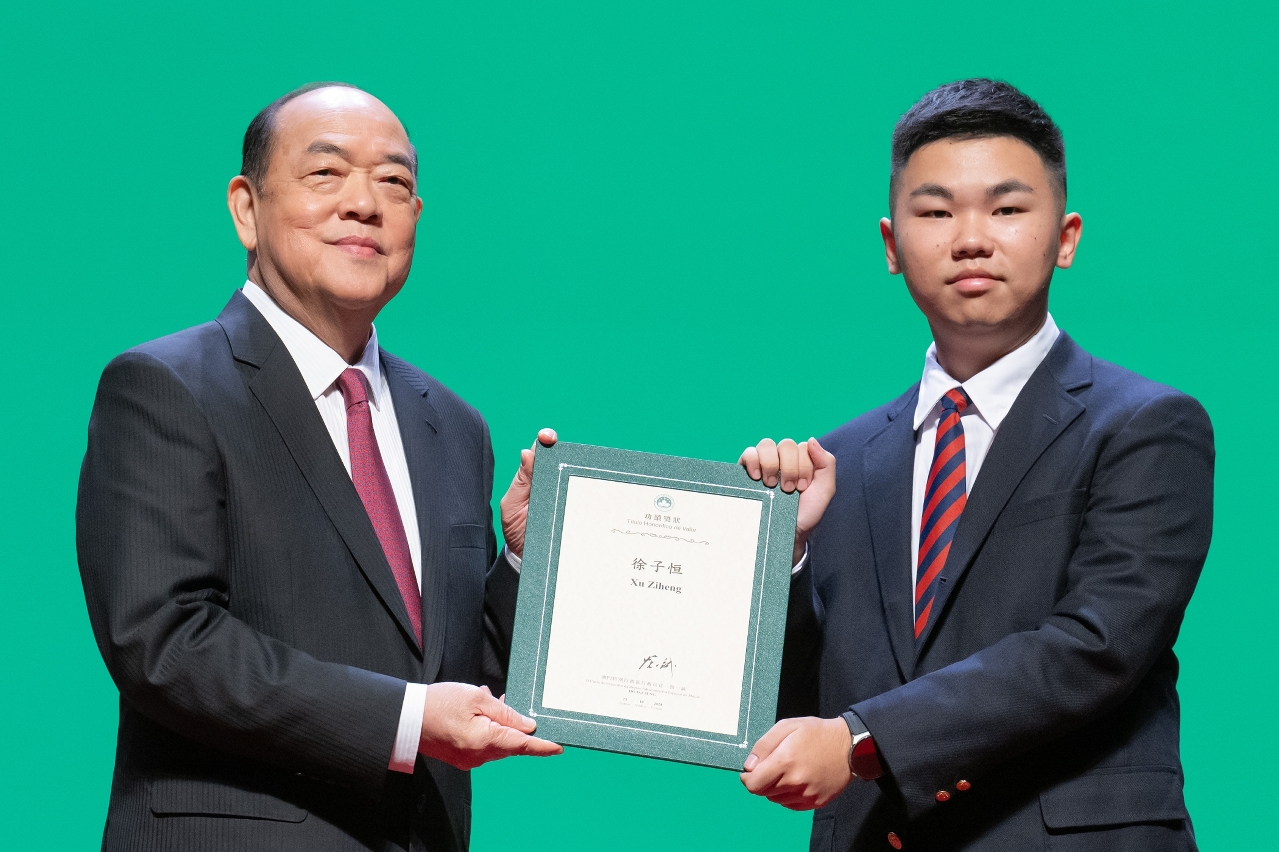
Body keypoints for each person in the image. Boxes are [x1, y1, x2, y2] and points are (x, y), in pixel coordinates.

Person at [76, 82, 562, 852]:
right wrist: (407, 719)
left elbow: (456, 680)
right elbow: (163, 643)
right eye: (325, 173)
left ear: (416, 218)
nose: (363, 204)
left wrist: (524, 563)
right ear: (246, 208)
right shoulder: (166, 388)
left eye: (393, 183)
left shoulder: (452, 425)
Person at [737, 79, 1213, 851]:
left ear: (1065, 237)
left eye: (1005, 209)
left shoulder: (1145, 427)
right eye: (935, 213)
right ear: (891, 247)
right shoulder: (839, 461)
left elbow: (1096, 646)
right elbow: (796, 707)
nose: (969, 239)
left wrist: (861, 740)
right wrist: (783, 557)